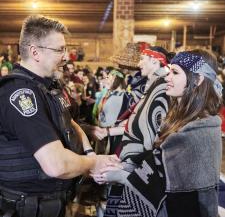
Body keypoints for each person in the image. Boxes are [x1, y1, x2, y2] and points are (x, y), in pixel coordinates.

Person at [0, 15, 120, 217]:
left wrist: (89, 152)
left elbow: (70, 122)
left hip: (52, 202)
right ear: (35, 52)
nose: (67, 57)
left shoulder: (47, 87)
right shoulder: (21, 94)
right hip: (26, 207)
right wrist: (94, 162)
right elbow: (56, 165)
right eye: (59, 50)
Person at [96, 49, 223, 217]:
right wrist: (125, 168)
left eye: (175, 73)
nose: (168, 77)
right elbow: (160, 166)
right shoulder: (186, 121)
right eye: (169, 71)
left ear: (198, 79)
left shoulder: (197, 132)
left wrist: (121, 176)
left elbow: (167, 187)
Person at [92, 46, 171, 217]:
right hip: (130, 159)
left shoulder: (163, 88)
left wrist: (130, 166)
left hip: (141, 163)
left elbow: (155, 133)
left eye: (143, 58)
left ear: (155, 61)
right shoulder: (150, 87)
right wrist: (108, 132)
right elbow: (135, 122)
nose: (139, 63)